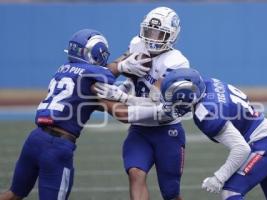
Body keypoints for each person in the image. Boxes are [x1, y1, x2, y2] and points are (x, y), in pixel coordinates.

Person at [0, 29, 165, 200]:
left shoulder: (63, 70)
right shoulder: (92, 78)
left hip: (35, 139)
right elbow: (120, 111)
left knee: (13, 195)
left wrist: (125, 66)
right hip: (57, 147)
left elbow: (100, 85)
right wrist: (155, 108)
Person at [95, 6, 189, 200]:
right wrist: (122, 66)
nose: (153, 38)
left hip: (166, 130)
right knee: (135, 174)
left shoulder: (176, 62)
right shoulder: (137, 44)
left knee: (171, 194)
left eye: (159, 34)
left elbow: (157, 102)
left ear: (173, 35)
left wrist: (122, 97)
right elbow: (109, 71)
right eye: (149, 32)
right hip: (140, 130)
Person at [160, 68, 267, 200]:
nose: (172, 103)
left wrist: (219, 178)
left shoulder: (206, 113)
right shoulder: (208, 83)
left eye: (174, 99)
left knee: (231, 192)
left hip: (265, 145)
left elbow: (241, 149)